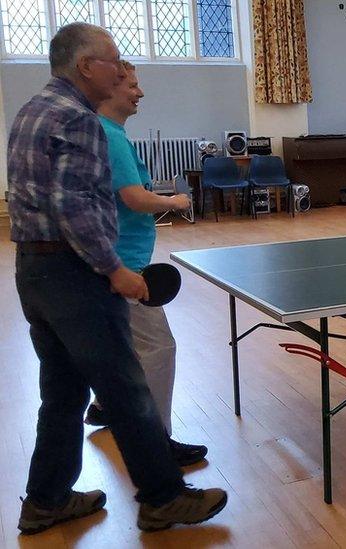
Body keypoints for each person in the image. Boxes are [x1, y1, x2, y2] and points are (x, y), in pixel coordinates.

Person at [9, 22, 226, 535]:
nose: (121, 67)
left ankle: (46, 501)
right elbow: (74, 209)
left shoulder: (32, 109)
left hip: (34, 271)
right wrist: (116, 270)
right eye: (113, 59)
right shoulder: (78, 119)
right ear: (87, 66)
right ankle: (163, 498)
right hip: (75, 276)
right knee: (127, 390)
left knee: (62, 392)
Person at [78, 61, 208, 467]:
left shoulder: (107, 132)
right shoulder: (110, 136)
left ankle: (102, 407)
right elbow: (133, 197)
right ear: (110, 87)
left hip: (117, 259)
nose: (140, 92)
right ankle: (157, 443)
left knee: (123, 343)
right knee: (158, 348)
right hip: (125, 264)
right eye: (132, 85)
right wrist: (173, 201)